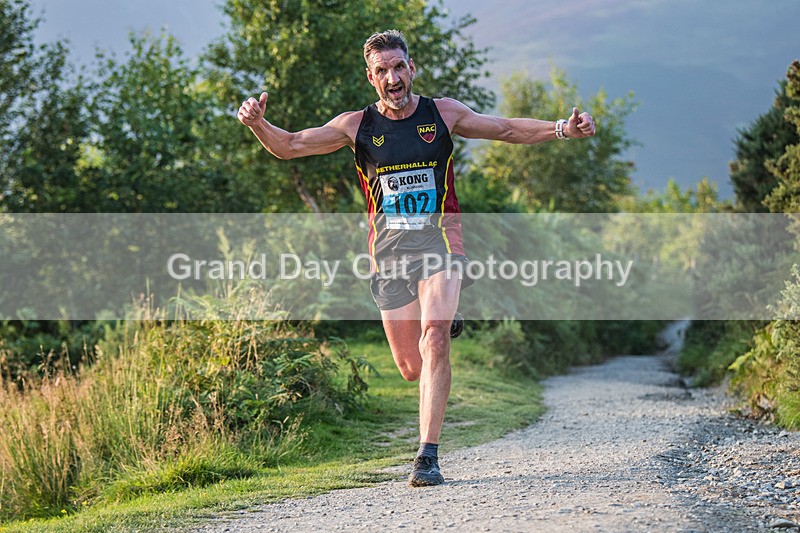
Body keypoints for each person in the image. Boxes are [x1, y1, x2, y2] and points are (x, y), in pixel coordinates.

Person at [238, 29, 596, 487]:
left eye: (399, 66)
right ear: (371, 77)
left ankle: (427, 455)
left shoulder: (441, 114)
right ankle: (442, 321)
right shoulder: (356, 126)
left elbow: (505, 129)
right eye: (382, 70)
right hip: (388, 255)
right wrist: (257, 124)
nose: (393, 77)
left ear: (412, 68)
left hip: (440, 244)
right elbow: (290, 146)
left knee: (435, 337)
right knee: (411, 367)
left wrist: (563, 128)